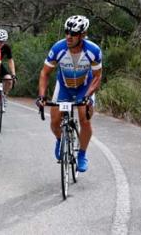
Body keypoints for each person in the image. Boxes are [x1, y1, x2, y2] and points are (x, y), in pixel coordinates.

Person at [36, 15, 102, 172]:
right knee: (54, 121)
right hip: (64, 86)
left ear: (82, 35)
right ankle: (60, 139)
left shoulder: (93, 50)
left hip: (84, 87)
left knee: (84, 119)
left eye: (73, 33)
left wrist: (88, 96)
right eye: (67, 32)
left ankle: (82, 154)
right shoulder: (58, 48)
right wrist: (42, 96)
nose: (68, 36)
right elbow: (45, 73)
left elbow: (98, 77)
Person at [0, 29, 16, 110]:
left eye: (2, 42)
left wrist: (13, 74)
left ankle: (3, 95)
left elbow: (10, 60)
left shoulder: (6, 47)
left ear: (5, 41)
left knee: (9, 80)